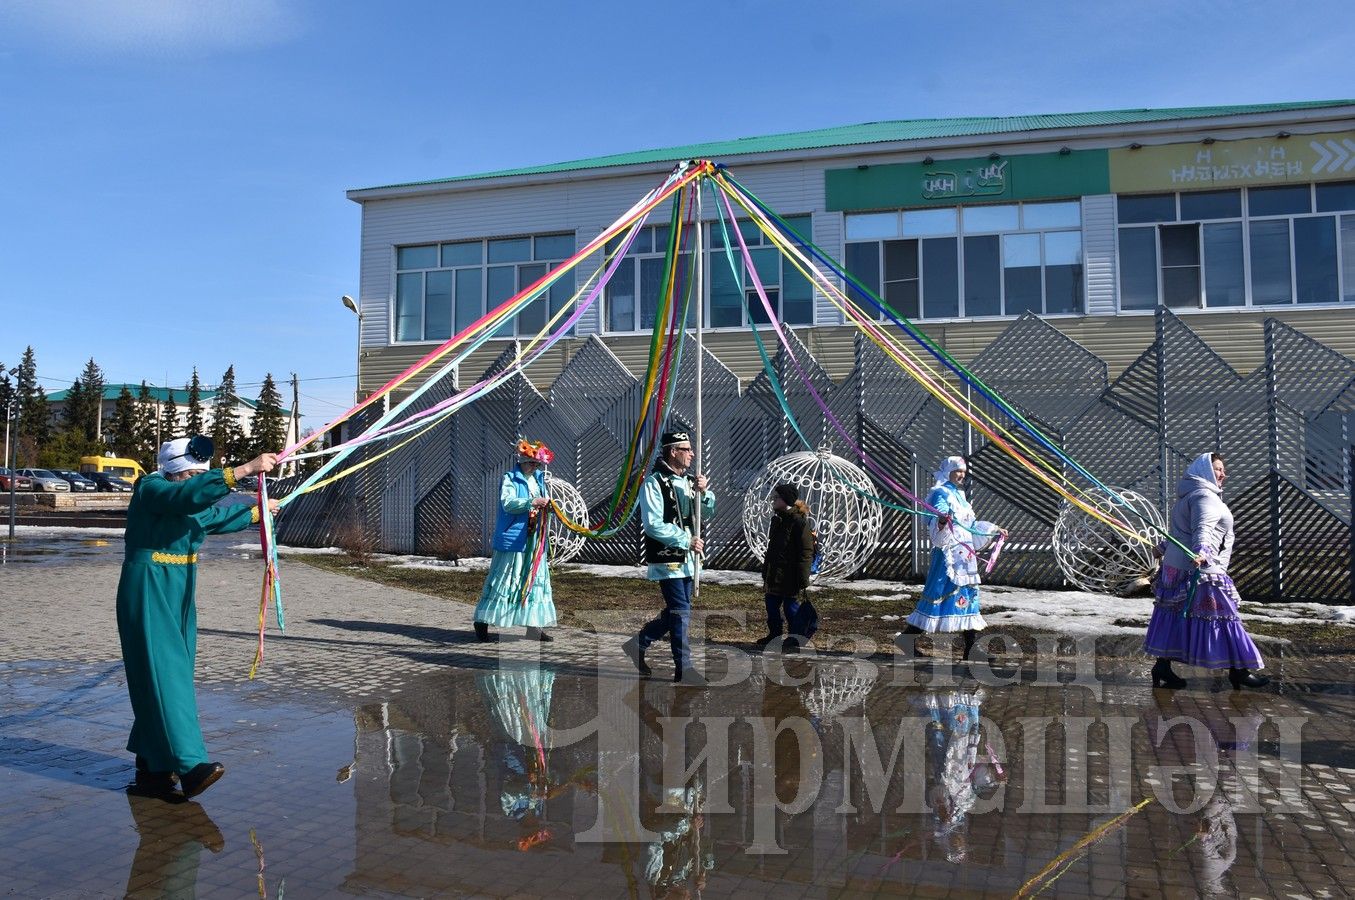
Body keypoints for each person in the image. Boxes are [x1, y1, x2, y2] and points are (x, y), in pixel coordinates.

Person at [118, 435, 278, 800]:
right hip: (148, 583)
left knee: (165, 673)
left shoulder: (182, 497)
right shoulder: (152, 487)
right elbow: (186, 498)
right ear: (176, 470)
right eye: (192, 473)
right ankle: (191, 766)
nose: (196, 481)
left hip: (181, 585)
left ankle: (153, 765)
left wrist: (258, 511)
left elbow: (211, 517)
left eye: (200, 475)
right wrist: (243, 470)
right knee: (167, 674)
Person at [1144, 452, 1268, 690]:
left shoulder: (1188, 496)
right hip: (1202, 570)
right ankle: (1239, 670)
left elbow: (1180, 533)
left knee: (1175, 615)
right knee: (1225, 617)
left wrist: (1162, 547)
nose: (1224, 474)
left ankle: (1162, 667)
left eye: (1222, 469)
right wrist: (1202, 553)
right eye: (1219, 469)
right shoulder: (1205, 497)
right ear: (1206, 472)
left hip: (1177, 567)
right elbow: (1203, 530)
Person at [622, 431, 716, 684]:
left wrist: (703, 493)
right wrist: (686, 540)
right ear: (673, 451)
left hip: (689, 558)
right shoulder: (654, 483)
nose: (692, 454)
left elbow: (706, 513)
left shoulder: (687, 482)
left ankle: (639, 643)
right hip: (668, 558)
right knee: (681, 611)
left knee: (678, 610)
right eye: (687, 449)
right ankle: (683, 668)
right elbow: (653, 524)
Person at [897, 456, 1006, 662]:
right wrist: (941, 519)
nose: (962, 475)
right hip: (948, 556)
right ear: (948, 471)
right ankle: (907, 638)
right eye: (958, 470)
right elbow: (934, 516)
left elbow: (970, 524)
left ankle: (971, 648)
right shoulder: (941, 492)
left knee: (968, 597)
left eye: (964, 471)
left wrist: (994, 529)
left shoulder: (960, 496)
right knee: (938, 595)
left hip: (965, 556)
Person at [473, 439, 558, 643]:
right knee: (504, 578)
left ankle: (533, 626)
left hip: (534, 538)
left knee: (533, 580)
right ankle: (482, 621)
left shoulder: (539, 481)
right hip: (514, 538)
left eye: (536, 463)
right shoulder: (510, 478)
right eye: (530, 462)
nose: (533, 467)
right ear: (520, 461)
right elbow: (508, 503)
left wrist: (548, 507)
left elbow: (541, 503)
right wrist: (531, 502)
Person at [755, 483, 814, 652]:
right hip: (775, 572)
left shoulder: (798, 522)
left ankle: (795, 638)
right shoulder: (778, 519)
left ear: (786, 500)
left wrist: (803, 576)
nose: (773, 500)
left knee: (791, 608)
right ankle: (774, 635)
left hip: (790, 574)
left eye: (777, 497)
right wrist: (767, 569)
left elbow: (806, 551)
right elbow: (773, 548)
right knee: (771, 605)